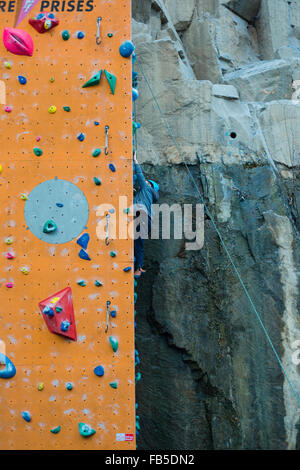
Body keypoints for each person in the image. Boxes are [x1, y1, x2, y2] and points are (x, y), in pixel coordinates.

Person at [133, 151, 159, 278]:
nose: (145, 182)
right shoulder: (149, 201)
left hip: (140, 216)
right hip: (146, 221)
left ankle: (137, 267)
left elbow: (139, 175)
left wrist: (135, 161)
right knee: (139, 244)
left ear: (150, 185)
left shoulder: (147, 188)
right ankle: (138, 268)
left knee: (133, 241)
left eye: (147, 182)